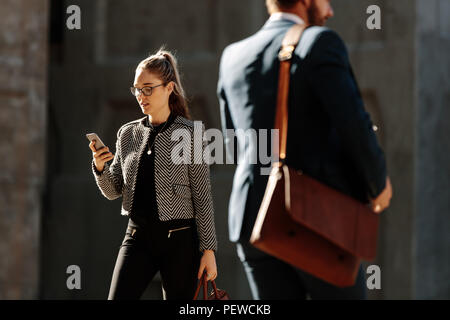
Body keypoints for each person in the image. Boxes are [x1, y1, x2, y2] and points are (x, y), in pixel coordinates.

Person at [217, 0, 392, 299]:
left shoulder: (232, 55)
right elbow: (354, 124)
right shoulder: (320, 42)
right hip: (316, 223)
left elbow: (234, 145)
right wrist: (378, 185)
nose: (330, 11)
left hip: (254, 222)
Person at [89, 49, 218, 300]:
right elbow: (113, 191)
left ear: (169, 88)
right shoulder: (128, 133)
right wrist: (100, 166)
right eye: (137, 89)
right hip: (136, 237)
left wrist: (209, 250)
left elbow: (202, 198)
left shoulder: (191, 134)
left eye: (148, 88)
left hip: (180, 242)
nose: (140, 95)